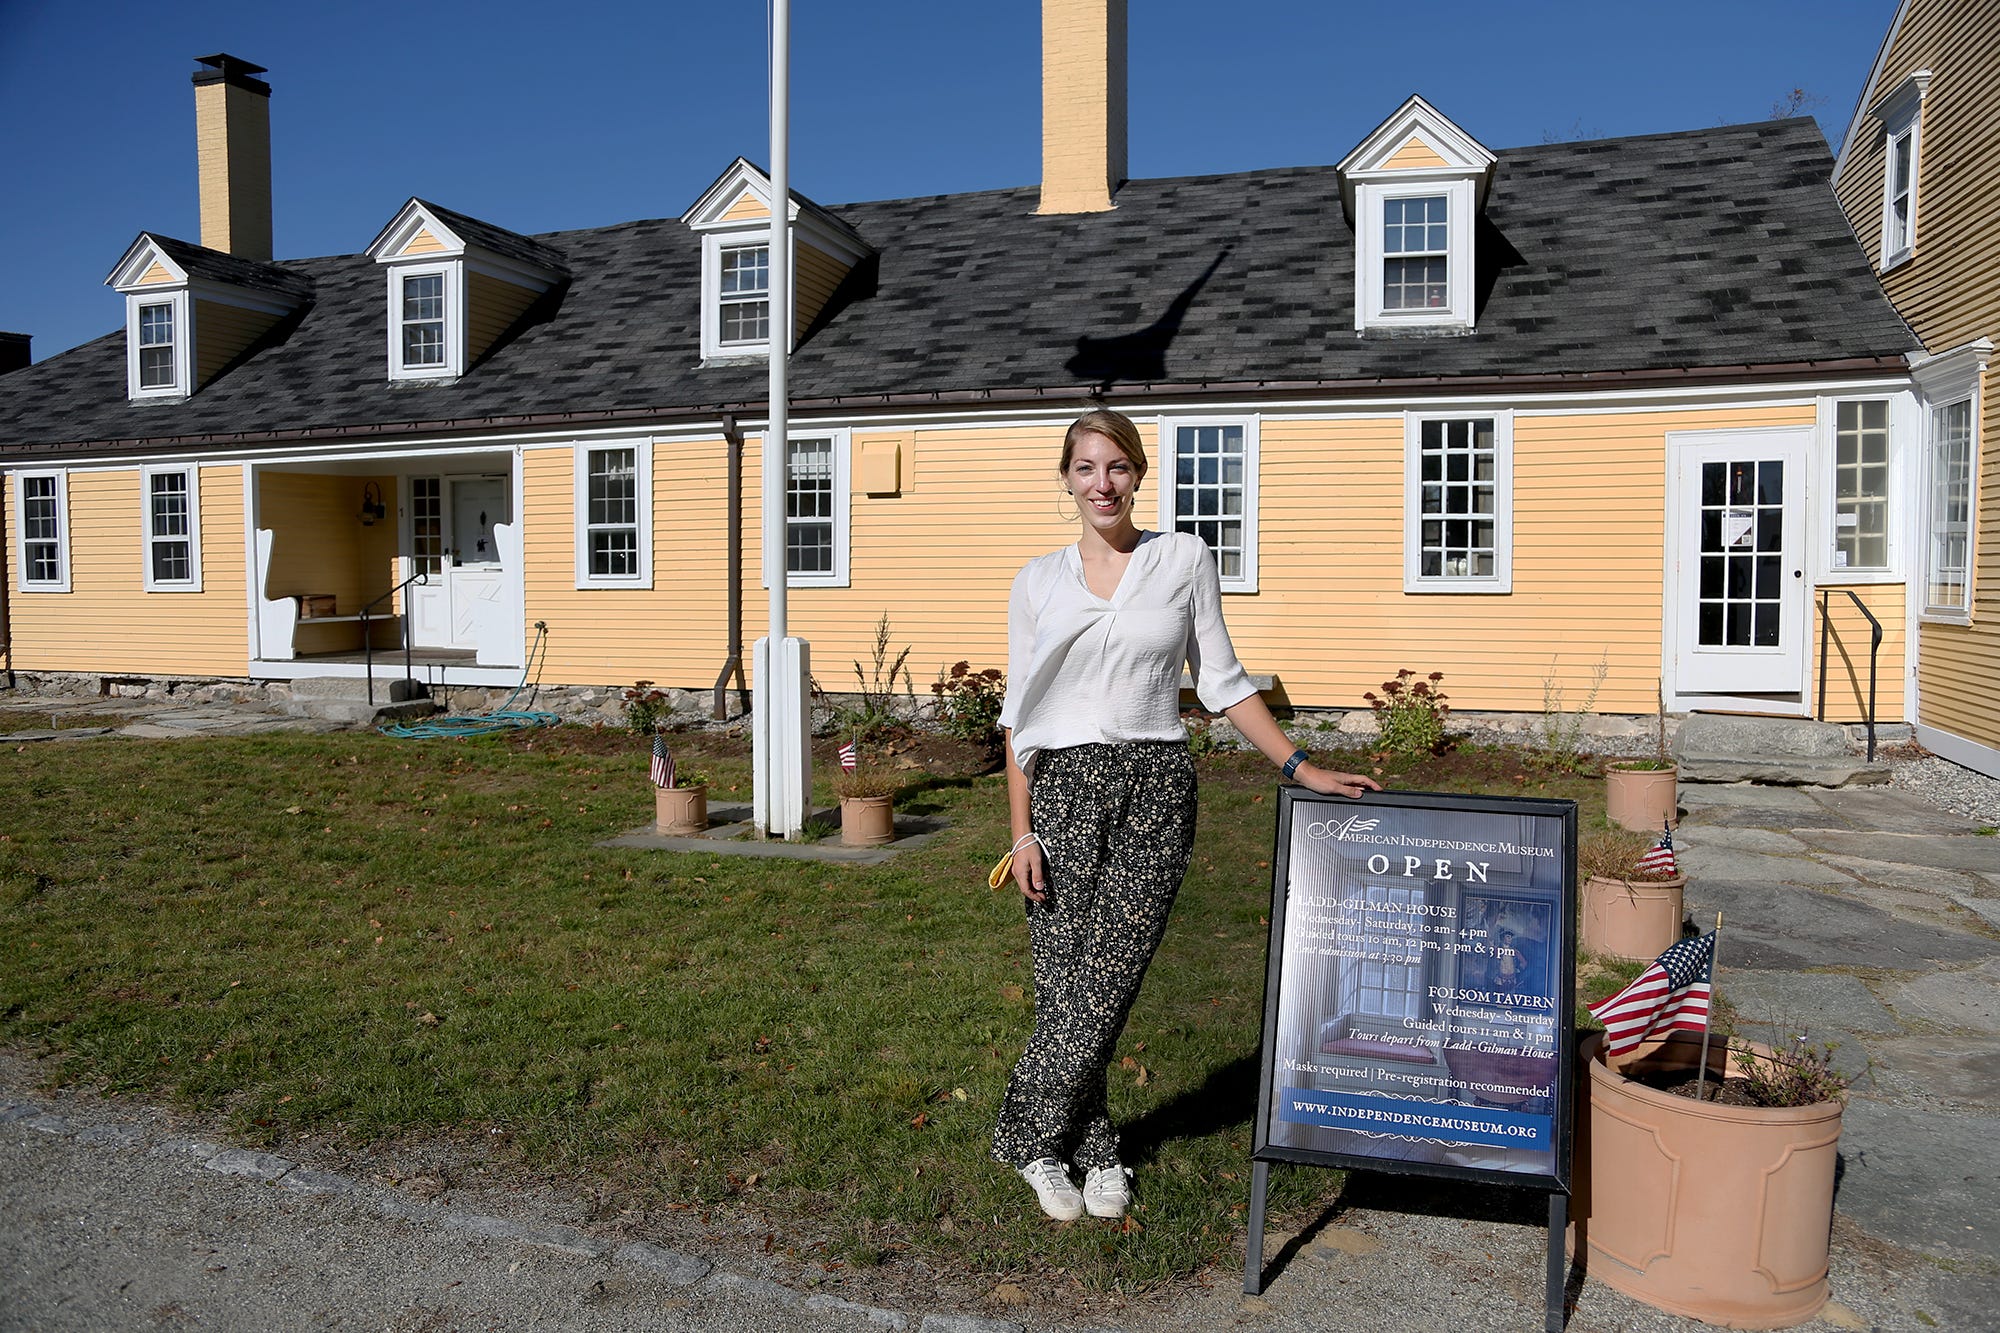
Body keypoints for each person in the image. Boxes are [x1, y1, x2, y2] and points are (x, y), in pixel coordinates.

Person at [991, 407, 1380, 1222]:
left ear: (1138, 474)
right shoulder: (1038, 579)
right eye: (1087, 467)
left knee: (1109, 979)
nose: (1103, 483)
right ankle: (1091, 1150)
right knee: (1067, 985)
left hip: (1157, 788)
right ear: (1066, 479)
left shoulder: (1182, 558)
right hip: (1060, 788)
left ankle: (1025, 1132)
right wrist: (1020, 830)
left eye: (1118, 466)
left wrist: (1301, 765)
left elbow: (1225, 680)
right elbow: (1018, 719)